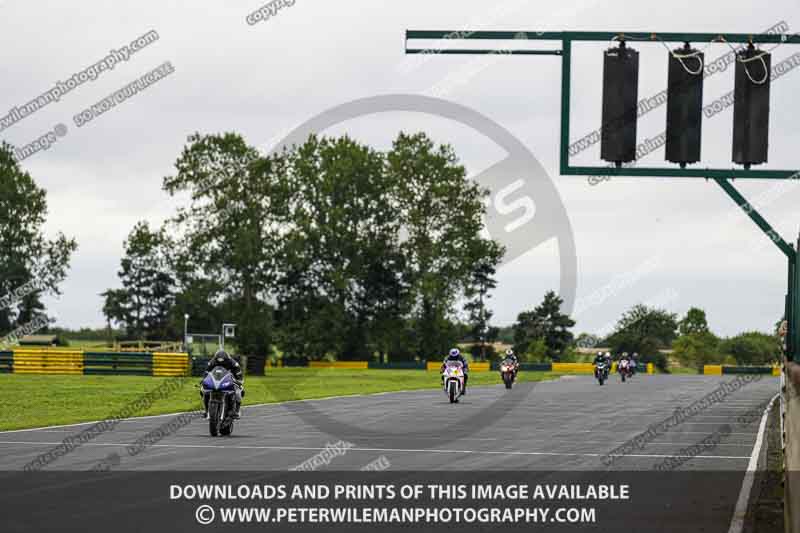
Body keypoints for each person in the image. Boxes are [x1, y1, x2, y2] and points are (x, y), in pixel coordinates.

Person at [202, 350, 244, 419]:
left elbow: (238, 373)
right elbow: (207, 372)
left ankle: (237, 411)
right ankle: (206, 410)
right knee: (203, 390)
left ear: (227, 359)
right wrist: (204, 380)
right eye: (218, 360)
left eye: (223, 361)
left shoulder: (233, 363)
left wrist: (239, 381)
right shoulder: (212, 362)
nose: (220, 362)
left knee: (238, 392)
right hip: (217, 380)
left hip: (230, 379)